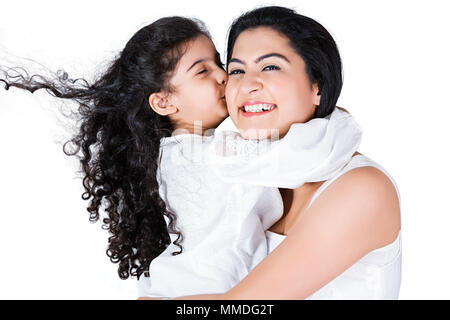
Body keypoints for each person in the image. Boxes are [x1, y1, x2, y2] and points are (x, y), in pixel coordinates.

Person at [162, 6, 402, 300]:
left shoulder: (362, 188)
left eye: (270, 67)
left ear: (318, 86)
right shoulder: (248, 181)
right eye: (237, 70)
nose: (247, 84)